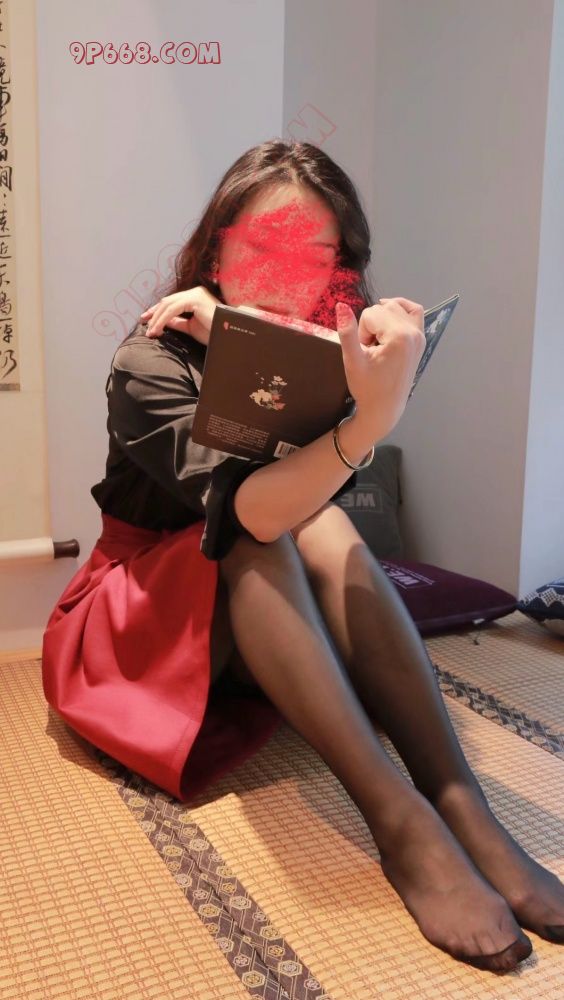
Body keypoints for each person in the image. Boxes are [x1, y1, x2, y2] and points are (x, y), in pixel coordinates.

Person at [41, 139, 564, 974]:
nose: (286, 272)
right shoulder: (149, 360)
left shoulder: (318, 352)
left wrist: (283, 346)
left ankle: (460, 800)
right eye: (263, 244)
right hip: (133, 621)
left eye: (314, 253)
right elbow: (248, 512)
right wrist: (369, 425)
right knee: (265, 529)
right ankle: (401, 822)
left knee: (315, 525)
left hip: (252, 620)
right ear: (215, 249)